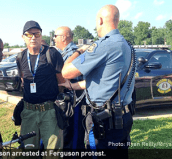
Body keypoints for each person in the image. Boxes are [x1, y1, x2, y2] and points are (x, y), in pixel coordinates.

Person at [59, 5, 135, 159]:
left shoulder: (104, 45)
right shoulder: (127, 45)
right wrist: (73, 86)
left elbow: (66, 72)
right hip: (123, 118)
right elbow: (105, 81)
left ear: (100, 20)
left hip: (103, 122)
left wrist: (80, 51)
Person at [17, 20, 65, 149]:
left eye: (37, 34)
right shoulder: (20, 57)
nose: (33, 37)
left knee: (52, 152)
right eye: (29, 34)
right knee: (29, 150)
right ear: (23, 37)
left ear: (41, 36)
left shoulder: (52, 54)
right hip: (28, 112)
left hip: (49, 111)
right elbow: (23, 80)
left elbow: (61, 81)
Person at [53, 26, 85, 150]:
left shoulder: (72, 53)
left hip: (73, 102)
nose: (54, 39)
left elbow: (64, 75)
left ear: (64, 37)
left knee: (72, 137)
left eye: (55, 36)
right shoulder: (65, 52)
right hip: (68, 101)